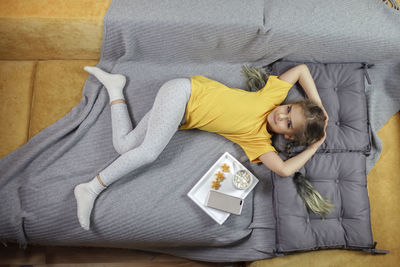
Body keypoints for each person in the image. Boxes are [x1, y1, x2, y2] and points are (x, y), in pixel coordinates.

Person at [74, 64, 329, 230]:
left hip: (176, 115)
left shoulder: (258, 141)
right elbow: (302, 71)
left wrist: (315, 146)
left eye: (287, 124)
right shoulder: (271, 98)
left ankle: (115, 88)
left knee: (125, 145)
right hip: (183, 92)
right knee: (149, 153)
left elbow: (284, 170)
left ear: (290, 137)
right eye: (287, 110)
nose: (280, 116)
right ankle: (91, 187)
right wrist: (319, 109)